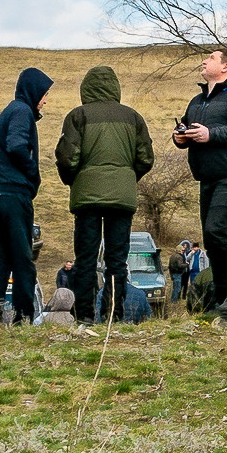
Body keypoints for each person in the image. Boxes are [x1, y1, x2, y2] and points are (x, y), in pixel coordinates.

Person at [57, 65, 154, 324]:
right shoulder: (133, 117)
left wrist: (74, 181)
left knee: (86, 259)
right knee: (117, 261)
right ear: (116, 87)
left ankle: (85, 316)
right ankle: (114, 314)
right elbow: (146, 158)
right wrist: (127, 178)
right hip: (122, 200)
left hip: (87, 199)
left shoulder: (78, 115)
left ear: (85, 88)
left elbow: (67, 157)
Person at [172, 48, 227, 318]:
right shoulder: (197, 100)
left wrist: (211, 134)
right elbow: (186, 129)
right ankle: (224, 301)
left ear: (226, 67)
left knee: (216, 231)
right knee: (212, 240)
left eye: (210, 58)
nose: (204, 61)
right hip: (206, 178)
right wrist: (180, 137)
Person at [0, 67, 54, 324]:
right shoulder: (22, 111)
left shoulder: (11, 110)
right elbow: (16, 146)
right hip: (12, 195)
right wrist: (33, 173)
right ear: (33, 92)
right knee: (23, 260)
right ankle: (24, 318)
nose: (45, 100)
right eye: (44, 94)